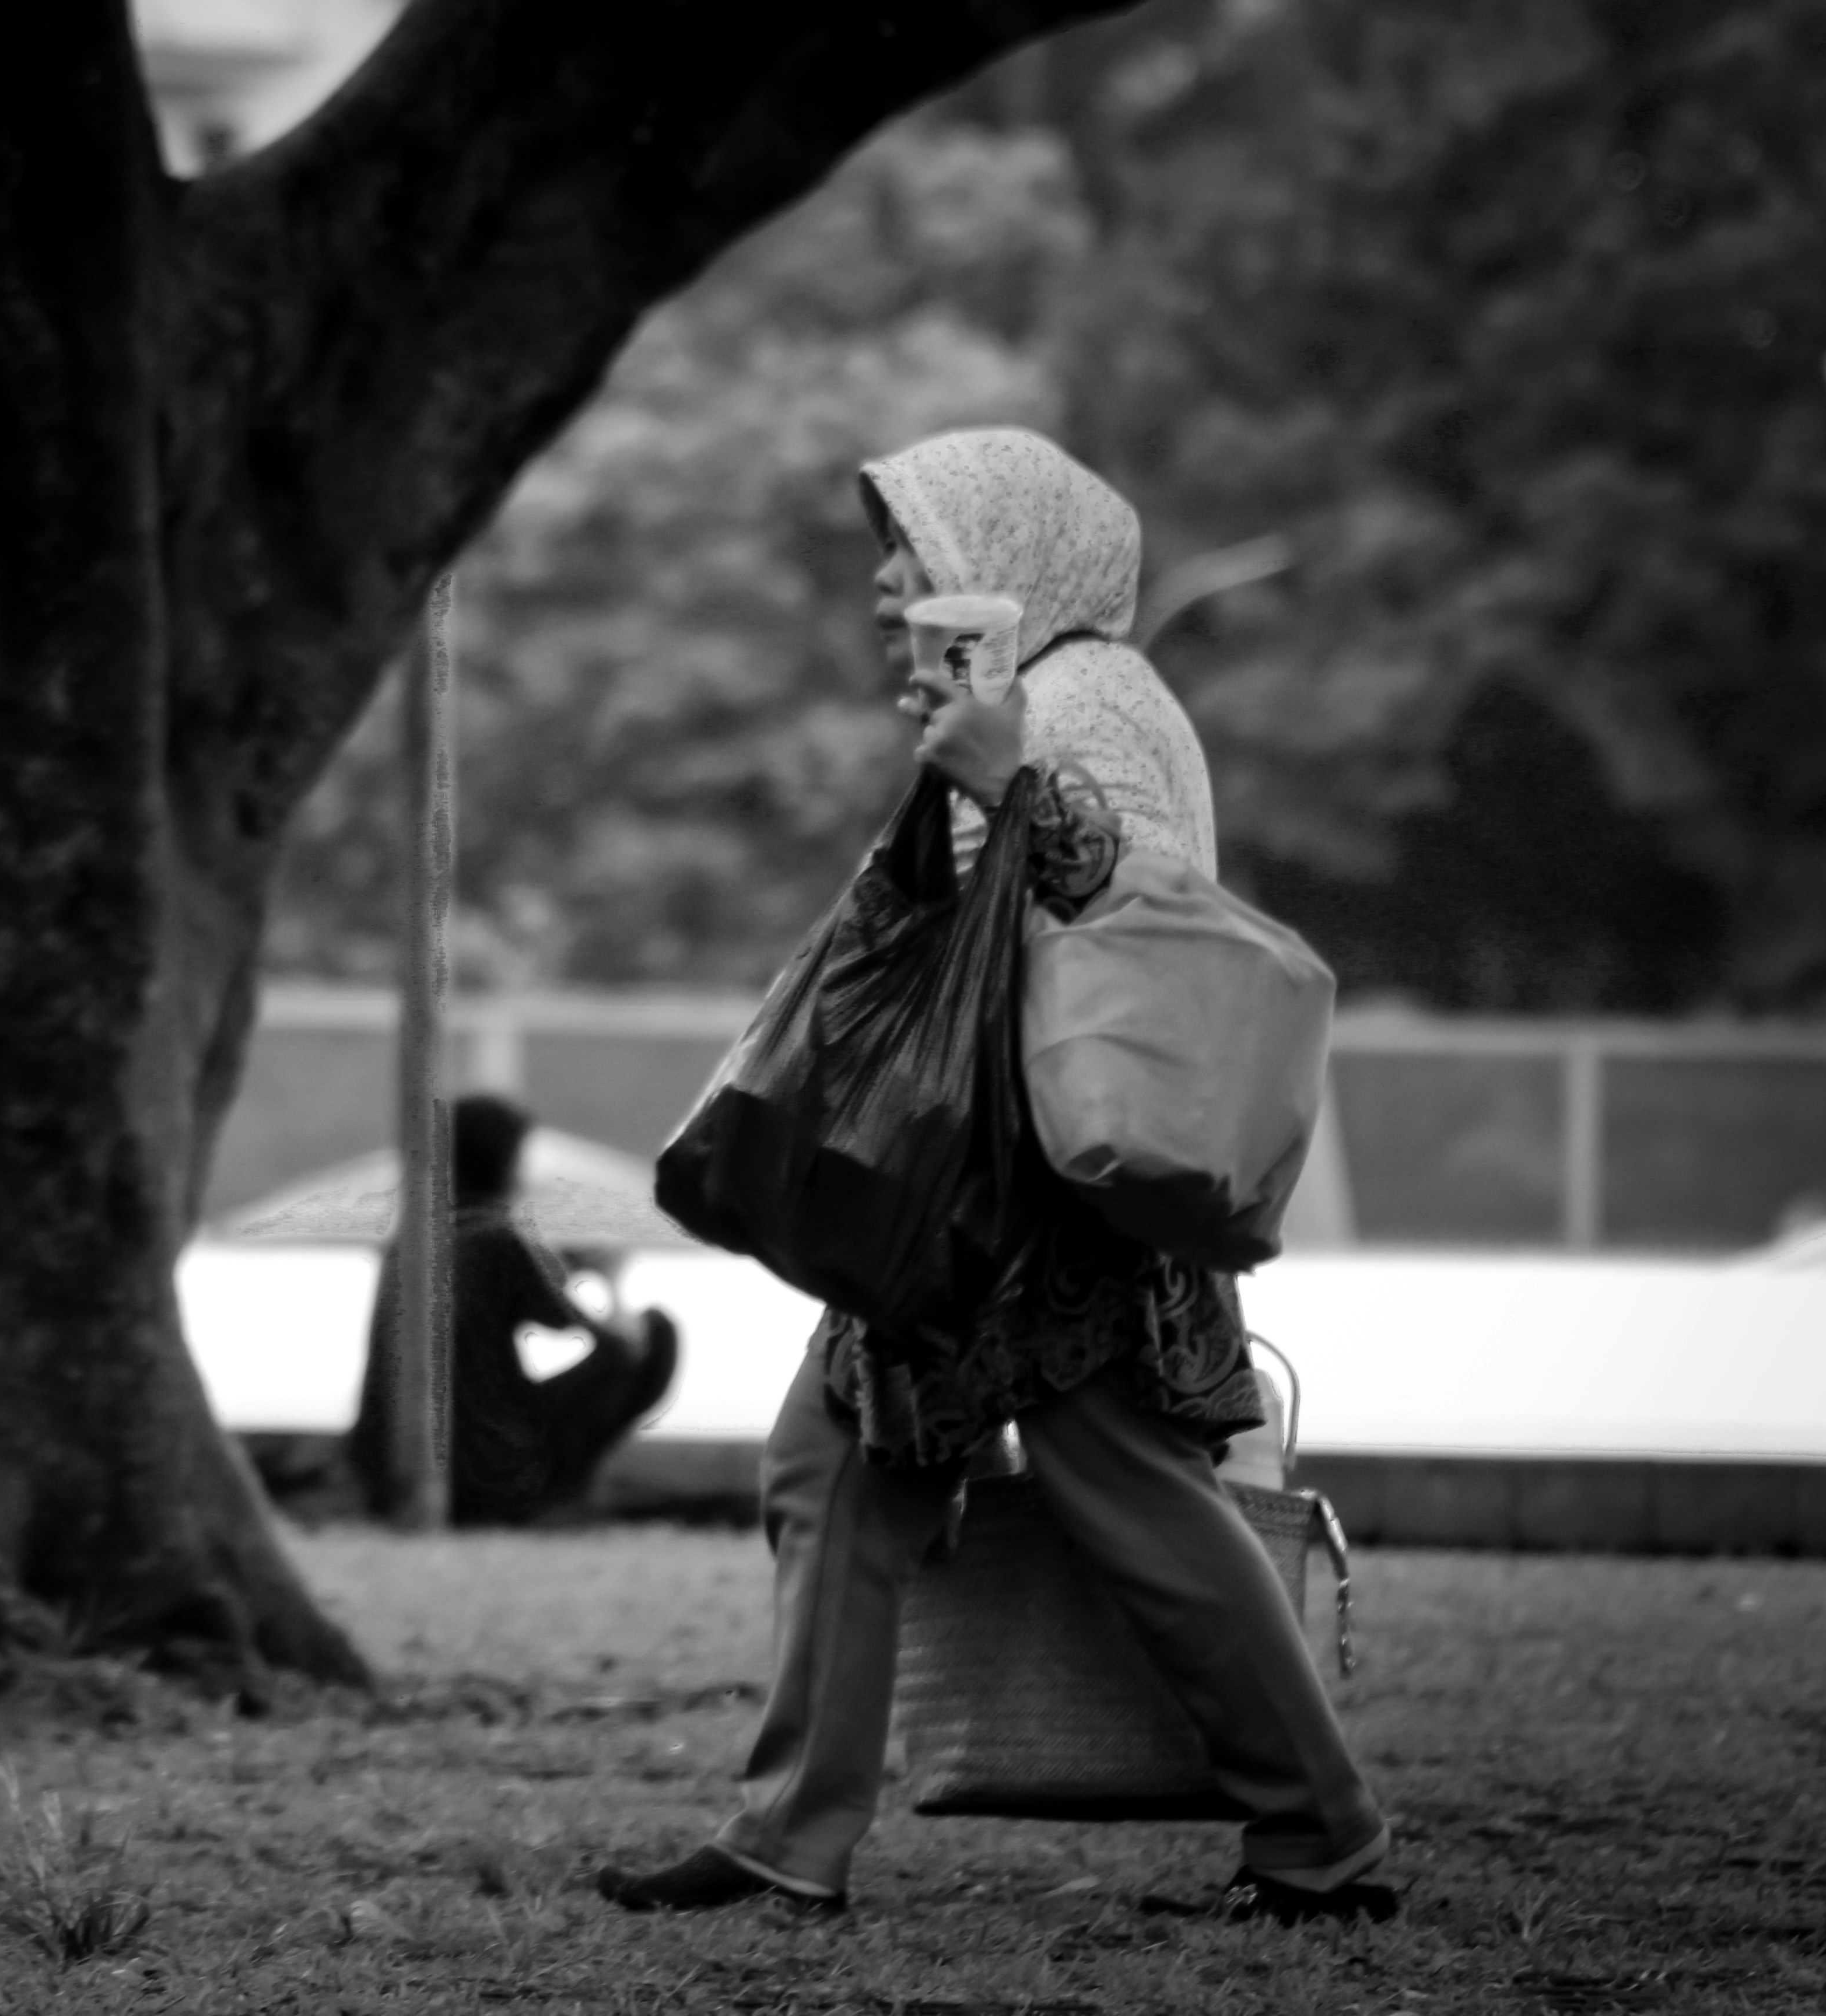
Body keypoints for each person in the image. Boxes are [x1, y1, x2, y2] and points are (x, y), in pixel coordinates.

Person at [595, 428, 1392, 1926]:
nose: (887, 583)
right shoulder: (1047, 696)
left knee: (1123, 1500)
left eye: (915, 548)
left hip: (1038, 1200)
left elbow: (1141, 919)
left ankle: (1322, 1832)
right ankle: (791, 1835)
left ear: (1004, 557)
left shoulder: (1084, 697)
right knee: (842, 1472)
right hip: (977, 1183)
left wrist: (1010, 772)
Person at [347, 1093, 679, 1527]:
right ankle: (553, 1496)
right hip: (485, 1473)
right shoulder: (498, 1239)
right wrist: (611, 1279)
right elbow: (621, 1346)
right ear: (510, 1164)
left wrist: (563, 1267)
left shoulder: (412, 1237)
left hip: (387, 1470)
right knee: (659, 1334)